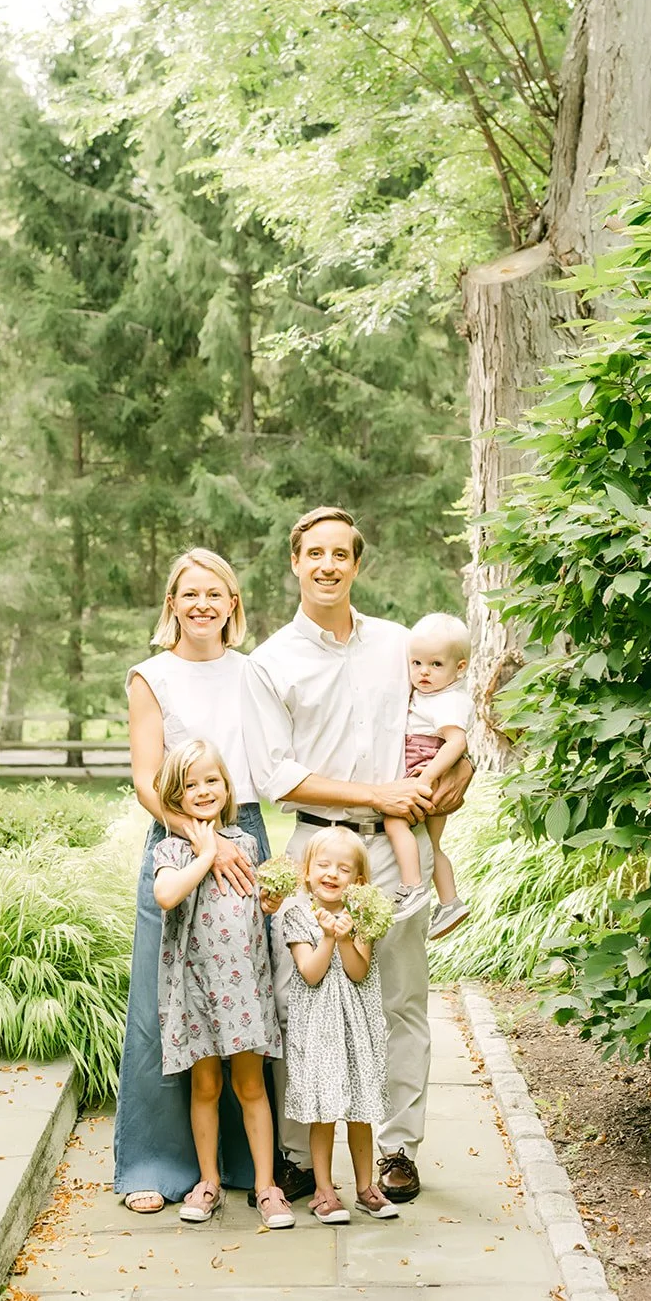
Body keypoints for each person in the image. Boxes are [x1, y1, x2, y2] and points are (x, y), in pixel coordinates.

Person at [242, 505, 473, 1204]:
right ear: (294, 561)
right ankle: (295, 1153)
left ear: (357, 564)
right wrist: (376, 791)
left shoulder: (399, 644)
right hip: (317, 845)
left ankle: (399, 1149)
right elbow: (274, 774)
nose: (327, 566)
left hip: (395, 848)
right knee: (300, 995)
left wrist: (453, 784)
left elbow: (445, 720)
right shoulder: (270, 661)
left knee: (400, 999)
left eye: (340, 554)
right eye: (314, 553)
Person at [113, 548, 284, 1215]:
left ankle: (255, 1170)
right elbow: (143, 778)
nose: (203, 604)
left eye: (216, 593)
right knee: (170, 1007)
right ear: (172, 604)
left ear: (233, 604)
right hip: (180, 839)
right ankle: (159, 1163)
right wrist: (197, 841)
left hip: (248, 836)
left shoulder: (253, 672)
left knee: (248, 1001)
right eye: (190, 594)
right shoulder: (148, 676)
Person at [152, 739, 293, 1229]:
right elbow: (167, 895)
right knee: (206, 1085)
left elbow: (260, 907)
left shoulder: (248, 846)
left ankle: (266, 1186)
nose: (203, 790)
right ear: (175, 797)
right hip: (195, 989)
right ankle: (208, 1181)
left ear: (227, 786)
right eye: (191, 785)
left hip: (244, 993)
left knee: (250, 1085)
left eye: (211, 780)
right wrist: (205, 851)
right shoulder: (170, 849)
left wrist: (270, 903)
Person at [282, 827, 399, 1224]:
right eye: (323, 865)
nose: (332, 874)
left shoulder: (363, 916)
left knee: (361, 1110)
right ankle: (324, 1190)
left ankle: (367, 1188)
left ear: (359, 881)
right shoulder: (298, 915)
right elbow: (311, 974)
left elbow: (358, 971)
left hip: (356, 1029)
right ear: (307, 871)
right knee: (324, 1110)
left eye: (344, 868)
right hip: (318, 1030)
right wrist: (328, 938)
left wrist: (347, 938)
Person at [386, 612, 475, 940]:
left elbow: (457, 741)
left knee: (393, 821)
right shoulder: (433, 694)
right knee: (434, 844)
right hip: (430, 768)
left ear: (459, 668)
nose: (423, 672)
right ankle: (450, 901)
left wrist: (426, 778)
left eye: (436, 664)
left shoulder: (449, 700)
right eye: (417, 663)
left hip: (425, 767)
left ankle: (411, 887)